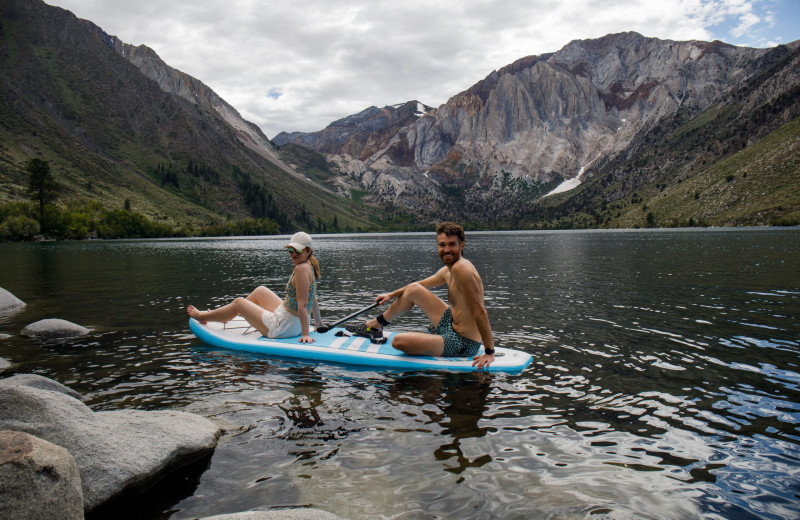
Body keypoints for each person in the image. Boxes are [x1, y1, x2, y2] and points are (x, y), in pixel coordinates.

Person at [347, 222, 496, 369]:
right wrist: (391, 295)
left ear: (461, 246)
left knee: (398, 342)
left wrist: (489, 351)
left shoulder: (461, 268)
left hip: (463, 343)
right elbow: (420, 285)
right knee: (413, 289)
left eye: (452, 244)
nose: (446, 249)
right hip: (452, 325)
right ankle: (374, 326)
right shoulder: (448, 270)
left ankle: (435, 338)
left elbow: (480, 311)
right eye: (442, 245)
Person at [187, 231, 323, 343]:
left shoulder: (300, 270)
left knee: (239, 303)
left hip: (284, 327)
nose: (293, 254)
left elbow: (303, 304)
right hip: (294, 322)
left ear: (308, 251)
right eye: (290, 250)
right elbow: (312, 296)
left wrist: (305, 334)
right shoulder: (309, 266)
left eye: (297, 251)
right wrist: (318, 323)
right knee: (260, 291)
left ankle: (203, 316)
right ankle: (227, 315)